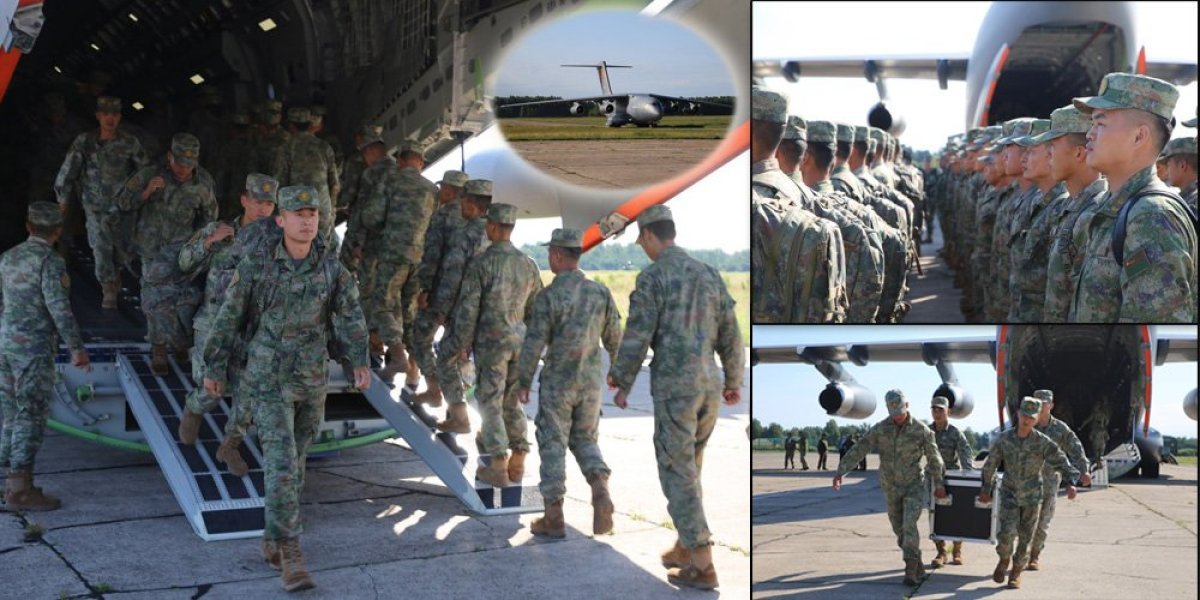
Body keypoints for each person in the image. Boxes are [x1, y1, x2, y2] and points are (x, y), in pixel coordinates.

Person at [202, 185, 370, 592]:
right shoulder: (257, 265)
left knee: (296, 465)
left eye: (312, 213)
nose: (307, 219)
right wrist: (215, 364)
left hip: (311, 379)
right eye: (298, 213)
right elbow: (229, 317)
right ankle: (292, 555)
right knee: (280, 464)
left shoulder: (332, 269)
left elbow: (349, 316)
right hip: (268, 379)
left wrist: (358, 358)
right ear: (281, 221)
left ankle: (272, 537)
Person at [606, 204, 744, 590]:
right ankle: (684, 546)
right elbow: (731, 334)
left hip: (676, 391)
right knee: (691, 469)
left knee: (677, 474)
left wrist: (621, 379)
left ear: (650, 235)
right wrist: (733, 379)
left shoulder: (653, 278)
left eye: (641, 240)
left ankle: (703, 562)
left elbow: (637, 335)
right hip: (709, 389)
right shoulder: (708, 274)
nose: (642, 247)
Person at [513, 228, 621, 538]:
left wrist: (523, 381)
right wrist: (618, 372)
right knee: (586, 440)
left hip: (558, 383)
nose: (549, 258)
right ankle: (600, 488)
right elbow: (615, 336)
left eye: (550, 253)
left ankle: (554, 516)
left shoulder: (549, 296)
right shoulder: (600, 292)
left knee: (553, 442)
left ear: (559, 255)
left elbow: (534, 343)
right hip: (590, 384)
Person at [1069, 73, 1197, 322]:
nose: (1089, 135)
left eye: (1100, 123)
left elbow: (1150, 335)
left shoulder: (1150, 216)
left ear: (1139, 136)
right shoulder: (1116, 206)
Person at [176, 174, 279, 475]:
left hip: (252, 329)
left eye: (269, 204)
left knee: (248, 394)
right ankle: (195, 407)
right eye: (258, 202)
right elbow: (184, 263)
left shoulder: (276, 240)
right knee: (212, 388)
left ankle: (229, 447)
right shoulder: (221, 230)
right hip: (213, 324)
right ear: (244, 200)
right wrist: (209, 242)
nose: (263, 210)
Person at [440, 203, 543, 488]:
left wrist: (463, 342)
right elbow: (536, 310)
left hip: (492, 344)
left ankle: (498, 464)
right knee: (511, 402)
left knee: (490, 403)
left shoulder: (482, 263)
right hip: (520, 343)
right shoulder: (529, 264)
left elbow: (469, 308)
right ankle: (519, 457)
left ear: (495, 227)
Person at [0, 203, 91, 511]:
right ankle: (20, 491)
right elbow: (59, 308)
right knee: (31, 415)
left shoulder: (8, 258)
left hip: (6, 344)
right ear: (57, 231)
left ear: (28, 227)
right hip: (33, 350)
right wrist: (76, 348)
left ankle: (10, 481)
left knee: (11, 413)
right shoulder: (50, 262)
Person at [115, 133, 218, 375]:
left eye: (189, 164)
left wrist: (201, 247)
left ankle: (180, 340)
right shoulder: (150, 174)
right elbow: (122, 203)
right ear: (170, 157)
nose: (183, 169)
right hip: (152, 249)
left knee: (184, 300)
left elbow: (209, 219)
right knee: (154, 301)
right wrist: (146, 192)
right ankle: (158, 348)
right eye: (179, 162)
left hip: (183, 251)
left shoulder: (203, 183)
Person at [832, 390, 946, 586]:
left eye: (900, 412)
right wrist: (841, 471)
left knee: (909, 525)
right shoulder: (881, 429)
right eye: (894, 413)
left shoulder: (921, 430)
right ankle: (916, 560)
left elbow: (935, 458)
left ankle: (910, 569)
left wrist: (940, 483)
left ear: (907, 405)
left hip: (913, 486)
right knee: (899, 529)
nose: (898, 417)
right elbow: (861, 448)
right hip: (890, 487)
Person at [53, 95, 150, 308]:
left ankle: (116, 274)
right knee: (100, 246)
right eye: (105, 114)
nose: (110, 119)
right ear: (98, 116)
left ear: (119, 117)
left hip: (123, 207)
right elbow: (68, 171)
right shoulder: (85, 142)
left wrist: (142, 194)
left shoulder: (129, 142)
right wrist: (62, 200)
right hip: (94, 206)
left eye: (114, 115)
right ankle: (108, 289)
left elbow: (144, 171)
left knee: (123, 249)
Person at [356, 141, 438, 385]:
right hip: (419, 258)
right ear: (421, 162)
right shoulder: (431, 189)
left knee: (383, 304)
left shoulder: (391, 181)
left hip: (393, 254)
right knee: (409, 312)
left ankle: (398, 355)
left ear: (400, 160)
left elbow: (371, 217)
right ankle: (413, 373)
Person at [979, 397, 1082, 590]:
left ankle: (1016, 572)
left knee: (1026, 537)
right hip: (1009, 493)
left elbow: (1061, 460)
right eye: (1024, 415)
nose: (1026, 420)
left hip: (1033, 496)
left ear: (1036, 420)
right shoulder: (1004, 439)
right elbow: (990, 465)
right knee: (1006, 534)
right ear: (1018, 414)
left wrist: (1071, 482)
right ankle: (1003, 560)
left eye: (1031, 417)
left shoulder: (1042, 442)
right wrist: (986, 489)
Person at [432, 180, 493, 435]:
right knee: (488, 372)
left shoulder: (466, 233)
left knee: (446, 359)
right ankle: (492, 430)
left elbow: (453, 276)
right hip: (492, 315)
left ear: (470, 203)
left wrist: (441, 310)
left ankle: (459, 415)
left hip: (465, 310)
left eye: (464, 202)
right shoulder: (495, 234)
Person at [1038, 105, 1107, 322]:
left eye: (1053, 145)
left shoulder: (1095, 214)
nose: (1048, 153)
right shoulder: (1071, 206)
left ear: (1079, 152)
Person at [411, 169, 470, 405]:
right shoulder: (474, 220)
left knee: (420, 337)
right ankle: (459, 401)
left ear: (448, 190)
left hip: (442, 292)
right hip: (468, 296)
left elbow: (432, 257)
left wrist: (424, 289)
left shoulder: (442, 216)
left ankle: (434, 389)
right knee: (457, 348)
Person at [1029, 389, 1091, 571]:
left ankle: (1034, 556)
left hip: (1050, 481)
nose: (1042, 406)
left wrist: (1083, 470)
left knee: (1043, 521)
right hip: (1027, 481)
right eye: (1038, 402)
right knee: (1024, 520)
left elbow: (1076, 448)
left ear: (1051, 405)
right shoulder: (1027, 425)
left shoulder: (1060, 429)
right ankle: (1022, 554)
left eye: (1045, 403)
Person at [274, 107, 340, 243]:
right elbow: (334, 184)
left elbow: (280, 184)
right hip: (322, 208)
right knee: (322, 250)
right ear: (310, 125)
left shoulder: (286, 148)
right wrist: (331, 209)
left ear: (290, 126)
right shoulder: (324, 147)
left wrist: (282, 214)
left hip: (298, 210)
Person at [929, 396, 973, 568]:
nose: (937, 413)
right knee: (935, 515)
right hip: (932, 477)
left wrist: (968, 477)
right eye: (934, 409)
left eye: (941, 409)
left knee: (956, 515)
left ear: (949, 411)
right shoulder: (926, 432)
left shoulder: (955, 433)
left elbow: (965, 454)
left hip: (952, 478)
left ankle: (957, 551)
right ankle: (941, 553)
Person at [1161, 137, 1197, 212]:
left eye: (1168, 165)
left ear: (1182, 165)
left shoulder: (1193, 202)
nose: (1167, 171)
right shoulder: (1187, 198)